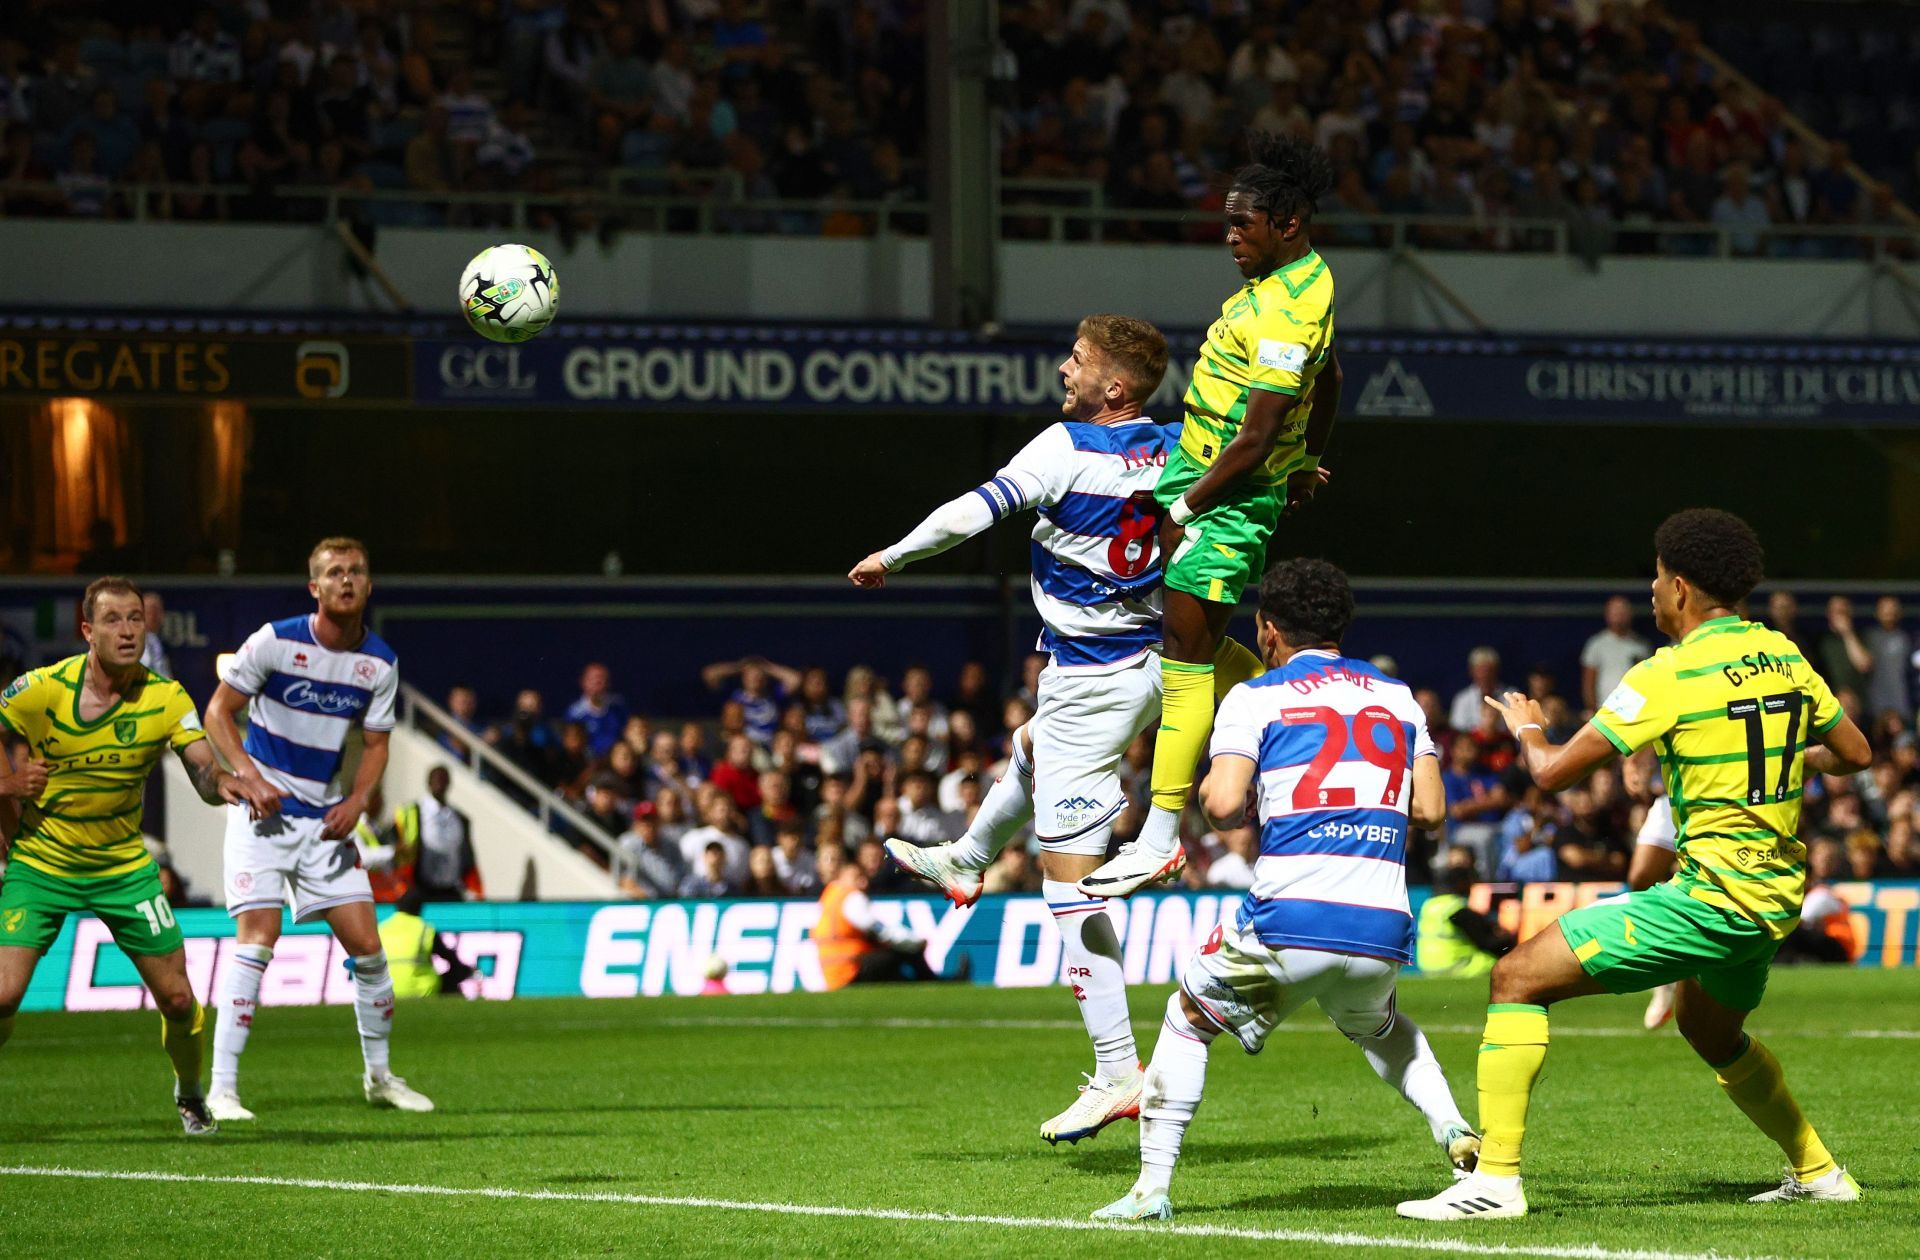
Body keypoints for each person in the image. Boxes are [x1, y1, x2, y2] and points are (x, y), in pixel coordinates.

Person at [1399, 509, 1872, 1221]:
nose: (1651, 591)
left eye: (1654, 577)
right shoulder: (1783, 653)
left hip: (1712, 901)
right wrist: (1777, 762)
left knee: (1515, 976)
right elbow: (1856, 755)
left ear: (1680, 587)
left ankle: (1495, 1183)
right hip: (1773, 900)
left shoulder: (1669, 672)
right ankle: (1819, 1171)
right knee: (1710, 1031)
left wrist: (1526, 725)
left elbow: (1553, 772)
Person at [850, 313, 1179, 1145]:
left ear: (1114, 387)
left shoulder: (1065, 446)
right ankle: (967, 857)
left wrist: (894, 554)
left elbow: (971, 514)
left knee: (1069, 892)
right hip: (1148, 663)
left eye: (1079, 361)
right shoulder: (1178, 446)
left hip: (1095, 680)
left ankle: (1118, 1073)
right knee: (1028, 746)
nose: (1064, 369)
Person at [1092, 559, 1477, 1223]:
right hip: (1382, 921)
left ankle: (1150, 1189)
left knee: (1187, 1020)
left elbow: (1222, 804)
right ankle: (1452, 1128)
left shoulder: (1257, 697)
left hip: (1290, 916)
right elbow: (1435, 812)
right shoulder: (1399, 697)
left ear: (1267, 630)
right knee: (1378, 1025)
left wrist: (1233, 796)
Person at [1120, 132, 1340, 896]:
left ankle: (1157, 835)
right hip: (1203, 472)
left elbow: (1256, 437)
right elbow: (1334, 377)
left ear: (1287, 221)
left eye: (1241, 224)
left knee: (1182, 665)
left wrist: (1186, 507)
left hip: (1225, 495)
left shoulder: (1289, 308)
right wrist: (1309, 461)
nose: (1229, 238)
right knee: (1194, 646)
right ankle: (1294, 711)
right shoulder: (1295, 283)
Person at [0, 577, 280, 1136]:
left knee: (178, 999)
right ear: (87, 631)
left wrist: (221, 781)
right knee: (3, 995)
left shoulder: (166, 698)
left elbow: (201, 765)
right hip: (42, 863)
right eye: (113, 620)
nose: (127, 630)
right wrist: (9, 781)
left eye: (135, 619)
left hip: (123, 868)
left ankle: (191, 1093)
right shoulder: (38, 690)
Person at [202, 537, 434, 1121]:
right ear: (315, 588)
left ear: (369, 584)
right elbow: (217, 712)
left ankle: (379, 1078)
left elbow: (377, 745)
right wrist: (249, 778)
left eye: (356, 571)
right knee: (257, 939)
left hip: (323, 824)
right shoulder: (275, 640)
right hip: (262, 816)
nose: (346, 580)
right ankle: (222, 1089)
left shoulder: (378, 661)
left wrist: (358, 799)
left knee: (370, 950)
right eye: (334, 573)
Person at [812, 843, 934, 989]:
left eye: (863, 877)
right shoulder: (851, 897)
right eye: (857, 877)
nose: (864, 883)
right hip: (849, 969)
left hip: (832, 974)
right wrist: (915, 943)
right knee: (905, 949)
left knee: (892, 969)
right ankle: (935, 982)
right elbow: (881, 931)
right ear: (843, 876)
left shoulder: (830, 894)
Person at [1415, 858, 1513, 977]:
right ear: (1460, 883)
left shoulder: (1429, 905)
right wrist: (1508, 939)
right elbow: (1485, 942)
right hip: (1456, 966)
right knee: (1503, 964)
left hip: (1428, 968)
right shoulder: (1456, 908)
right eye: (1469, 881)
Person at [397, 766, 482, 902]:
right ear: (428, 782)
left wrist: (472, 887)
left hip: (451, 890)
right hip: (421, 888)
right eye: (436, 780)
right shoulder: (413, 812)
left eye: (443, 780)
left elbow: (468, 854)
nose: (440, 784)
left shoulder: (459, 818)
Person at [377, 886, 475, 998]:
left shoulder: (382, 929)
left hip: (387, 990)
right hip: (421, 990)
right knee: (458, 973)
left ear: (397, 906)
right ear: (420, 908)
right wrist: (466, 970)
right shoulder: (423, 929)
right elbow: (450, 959)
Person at [1580, 595, 1650, 713]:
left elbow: (1647, 681)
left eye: (1623, 611)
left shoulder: (1642, 646)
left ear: (1630, 614)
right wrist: (1592, 709)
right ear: (1607, 615)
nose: (1619, 615)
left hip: (1633, 711)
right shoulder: (1596, 644)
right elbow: (1588, 682)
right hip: (1603, 710)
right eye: (1615, 611)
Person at [565, 662, 630, 759]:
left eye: (601, 679)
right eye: (593, 679)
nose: (597, 682)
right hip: (587, 761)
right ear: (583, 682)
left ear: (608, 683)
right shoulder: (575, 713)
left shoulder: (618, 707)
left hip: (615, 761)